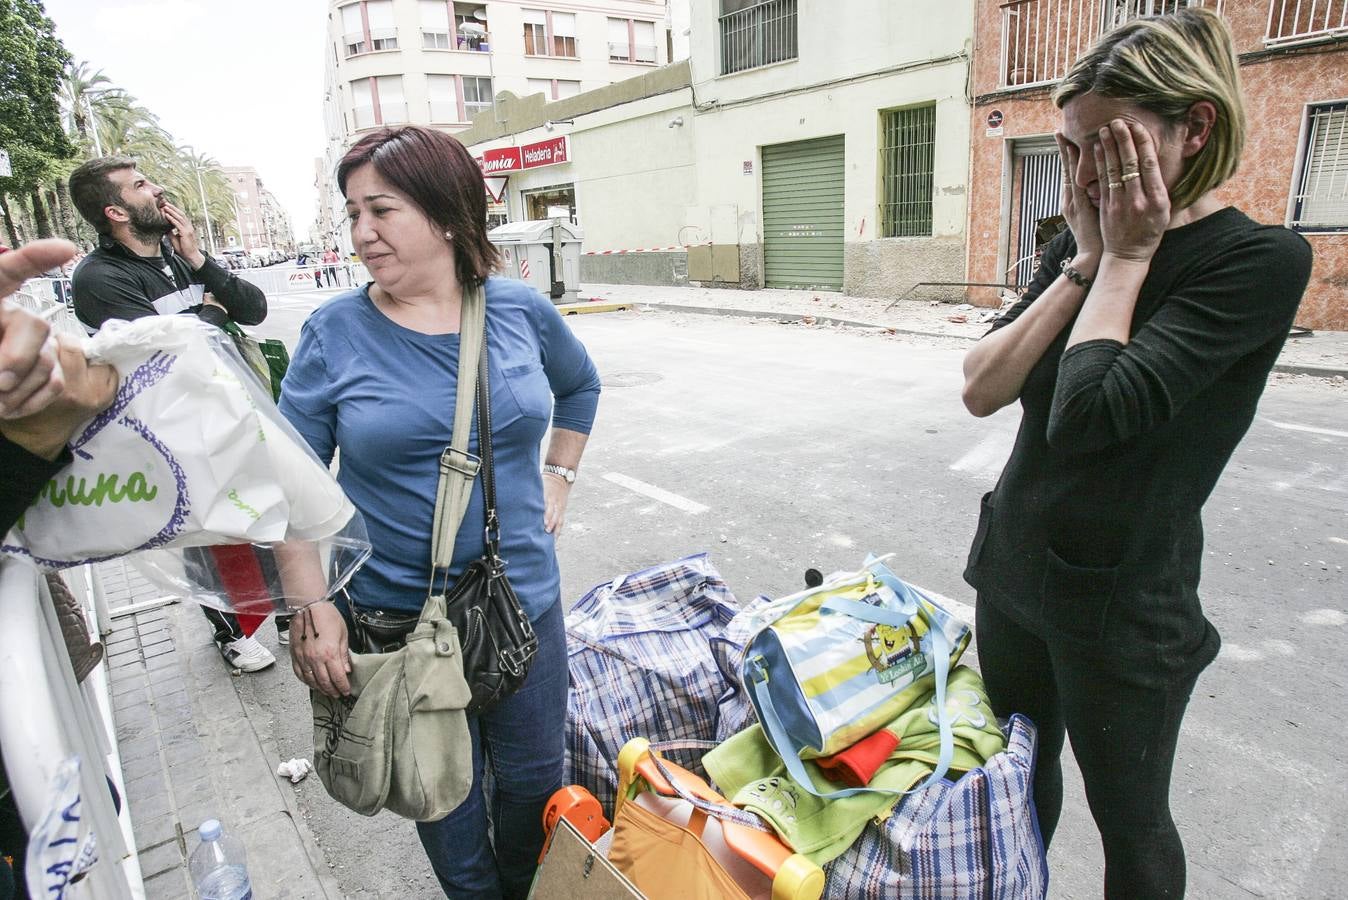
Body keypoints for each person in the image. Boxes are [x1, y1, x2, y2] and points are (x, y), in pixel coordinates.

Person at [959, 10, 1312, 898]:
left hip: (1123, 607)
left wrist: (1124, 258)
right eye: (1071, 147)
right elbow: (980, 387)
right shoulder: (1078, 245)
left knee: (1132, 824)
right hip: (1012, 571)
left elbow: (1087, 416)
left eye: (1106, 146)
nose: (1082, 175)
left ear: (1194, 127)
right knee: (1014, 789)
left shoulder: (1256, 263)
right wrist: (1082, 262)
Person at [279, 125, 600, 899]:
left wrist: (558, 474)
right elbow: (290, 484)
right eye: (353, 212)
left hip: (522, 606)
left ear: (447, 214)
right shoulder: (335, 332)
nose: (361, 233)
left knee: (531, 791)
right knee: (444, 805)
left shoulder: (520, 310)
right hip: (395, 622)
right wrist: (309, 604)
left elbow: (580, 386)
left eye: (381, 210)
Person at [66, 156, 283, 673]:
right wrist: (209, 314)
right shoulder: (99, 278)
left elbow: (252, 309)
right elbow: (168, 355)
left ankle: (286, 608)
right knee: (203, 532)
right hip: (172, 429)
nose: (156, 188)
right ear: (116, 211)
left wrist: (203, 264)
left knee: (265, 512)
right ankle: (231, 632)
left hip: (233, 411)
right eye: (141, 185)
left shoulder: (179, 256)